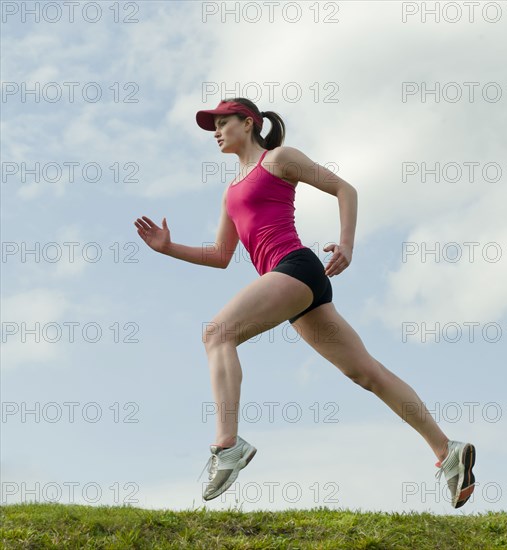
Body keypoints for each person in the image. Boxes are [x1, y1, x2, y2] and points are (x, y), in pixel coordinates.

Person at [134, 98, 476, 509]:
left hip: (295, 268)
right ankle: (446, 450)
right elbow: (221, 256)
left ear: (249, 123)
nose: (216, 131)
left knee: (217, 334)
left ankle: (227, 445)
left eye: (223, 122)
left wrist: (347, 243)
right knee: (367, 373)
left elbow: (343, 189)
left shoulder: (279, 160)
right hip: (294, 290)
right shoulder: (230, 193)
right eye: (214, 126)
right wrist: (168, 247)